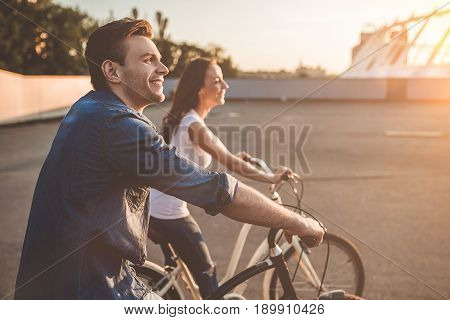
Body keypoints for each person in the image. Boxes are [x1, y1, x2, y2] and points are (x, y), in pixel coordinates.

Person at [14, 18, 324, 300]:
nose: (163, 69)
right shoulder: (117, 125)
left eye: (160, 60)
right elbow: (218, 190)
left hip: (67, 283)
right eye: (149, 60)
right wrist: (297, 220)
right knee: (208, 280)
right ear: (112, 71)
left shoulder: (89, 108)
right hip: (90, 290)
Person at [150, 57, 296, 298]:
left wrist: (236, 157)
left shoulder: (187, 118)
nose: (225, 85)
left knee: (180, 273)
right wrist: (271, 178)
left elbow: (197, 159)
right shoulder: (194, 125)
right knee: (207, 273)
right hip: (169, 214)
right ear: (200, 89)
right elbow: (229, 161)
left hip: (158, 209)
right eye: (217, 80)